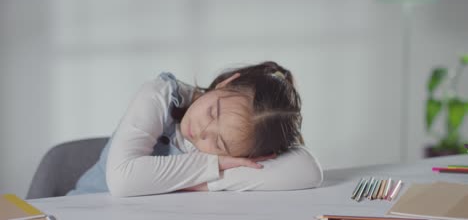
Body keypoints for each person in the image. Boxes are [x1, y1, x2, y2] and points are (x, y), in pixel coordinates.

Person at [67, 61, 323, 197]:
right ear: (226, 83)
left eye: (219, 145)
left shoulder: (238, 147)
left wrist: (193, 184)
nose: (202, 131)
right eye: (214, 111)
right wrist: (213, 166)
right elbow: (123, 181)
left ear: (244, 157)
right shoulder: (161, 94)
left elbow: (308, 171)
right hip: (77, 209)